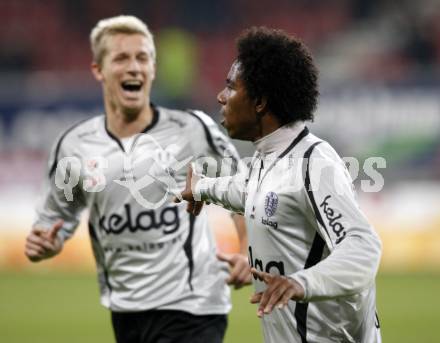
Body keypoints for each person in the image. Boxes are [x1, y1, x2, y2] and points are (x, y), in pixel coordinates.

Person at [24, 15, 250, 343]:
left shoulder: (192, 129)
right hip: (126, 312)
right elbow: (54, 222)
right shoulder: (75, 146)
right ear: (98, 70)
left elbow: (243, 193)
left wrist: (245, 250)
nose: (134, 67)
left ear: (153, 69)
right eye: (121, 58)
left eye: (142, 57)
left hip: (193, 307)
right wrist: (44, 243)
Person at [179, 27, 382, 343]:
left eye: (230, 88)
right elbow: (244, 191)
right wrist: (202, 187)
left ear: (259, 102)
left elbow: (363, 248)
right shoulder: (267, 159)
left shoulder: (315, 163)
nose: (221, 97)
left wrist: (300, 283)